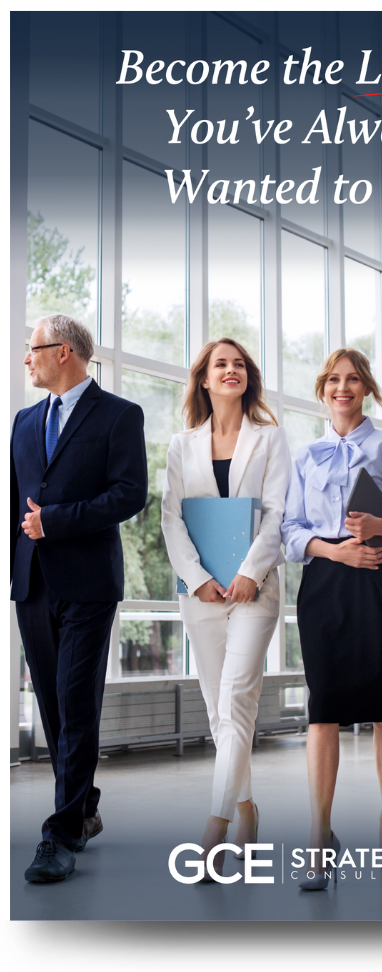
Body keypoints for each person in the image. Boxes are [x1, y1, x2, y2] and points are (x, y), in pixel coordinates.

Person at [11, 314, 148, 883]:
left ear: (63, 352)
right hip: (33, 584)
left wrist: (57, 523)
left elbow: (129, 493)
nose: (27, 359)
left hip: (89, 583)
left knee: (75, 701)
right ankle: (85, 807)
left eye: (33, 349)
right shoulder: (22, 421)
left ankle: (61, 834)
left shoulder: (119, 415)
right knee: (54, 706)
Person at [281, 349, 382, 890]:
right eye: (334, 380)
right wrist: (337, 550)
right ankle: (320, 836)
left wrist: (379, 527)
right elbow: (290, 531)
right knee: (324, 709)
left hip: (380, 577)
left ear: (365, 389)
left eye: (353, 380)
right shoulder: (305, 454)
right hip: (325, 581)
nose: (343, 388)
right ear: (323, 389)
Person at [161, 338, 291, 879]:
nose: (231, 370)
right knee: (222, 712)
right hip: (203, 597)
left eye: (239, 364)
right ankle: (246, 811)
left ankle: (214, 829)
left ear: (248, 378)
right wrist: (199, 580)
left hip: (254, 593)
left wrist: (247, 573)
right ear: (205, 380)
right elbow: (171, 519)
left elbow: (280, 512)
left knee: (237, 696)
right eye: (221, 364)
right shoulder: (180, 444)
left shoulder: (271, 438)